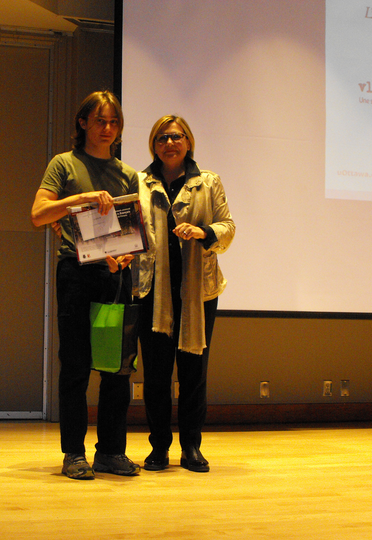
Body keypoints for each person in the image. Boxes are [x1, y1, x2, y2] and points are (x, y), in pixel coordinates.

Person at [31, 91, 140, 480]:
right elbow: (38, 215)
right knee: (75, 366)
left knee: (117, 368)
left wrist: (125, 257)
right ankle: (74, 454)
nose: (107, 128)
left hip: (115, 276)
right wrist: (82, 198)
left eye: (114, 122)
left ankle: (110, 452)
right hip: (75, 274)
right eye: (100, 121)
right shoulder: (64, 164)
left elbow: (132, 233)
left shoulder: (128, 174)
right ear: (83, 122)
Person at [133, 115, 235, 473]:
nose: (169, 143)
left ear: (188, 142)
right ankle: (159, 447)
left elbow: (227, 226)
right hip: (153, 290)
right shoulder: (139, 182)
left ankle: (191, 446)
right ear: (153, 145)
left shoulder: (208, 182)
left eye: (176, 136)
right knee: (156, 376)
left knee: (193, 373)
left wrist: (203, 231)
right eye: (162, 138)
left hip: (197, 291)